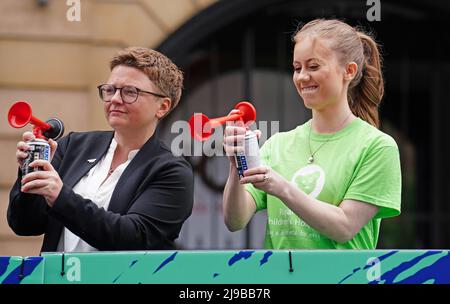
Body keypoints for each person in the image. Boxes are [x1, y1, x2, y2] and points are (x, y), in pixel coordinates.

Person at [223, 19, 401, 249]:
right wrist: (236, 164)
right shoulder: (277, 144)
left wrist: (282, 188)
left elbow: (344, 227)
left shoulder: (377, 147)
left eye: (313, 66)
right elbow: (235, 221)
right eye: (297, 68)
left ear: (349, 71)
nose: (302, 77)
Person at [8, 47, 194, 252]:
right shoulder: (73, 146)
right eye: (110, 89)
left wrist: (60, 196)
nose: (114, 99)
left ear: (163, 106)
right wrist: (32, 172)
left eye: (130, 92)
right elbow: (24, 224)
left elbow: (133, 238)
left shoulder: (172, 171)